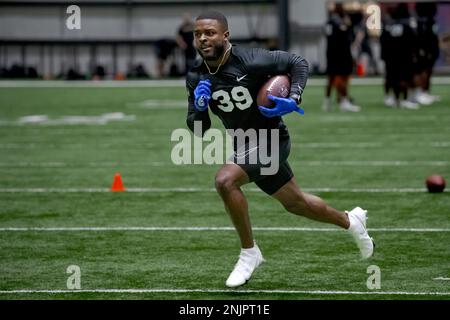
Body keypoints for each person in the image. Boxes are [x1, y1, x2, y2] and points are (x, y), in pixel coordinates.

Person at [186, 11, 374, 288]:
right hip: (245, 145)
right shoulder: (196, 75)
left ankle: (250, 253)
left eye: (210, 33)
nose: (203, 38)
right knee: (296, 203)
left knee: (225, 180)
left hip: (273, 139)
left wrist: (294, 95)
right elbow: (199, 130)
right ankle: (350, 221)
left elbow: (298, 62)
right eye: (198, 33)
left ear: (225, 36)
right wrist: (200, 109)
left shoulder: (250, 60)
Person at [322, 4, 360, 112]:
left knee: (331, 78)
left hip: (331, 53)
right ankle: (344, 101)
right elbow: (346, 37)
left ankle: (327, 101)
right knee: (341, 78)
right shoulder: (340, 23)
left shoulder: (329, 22)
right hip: (341, 54)